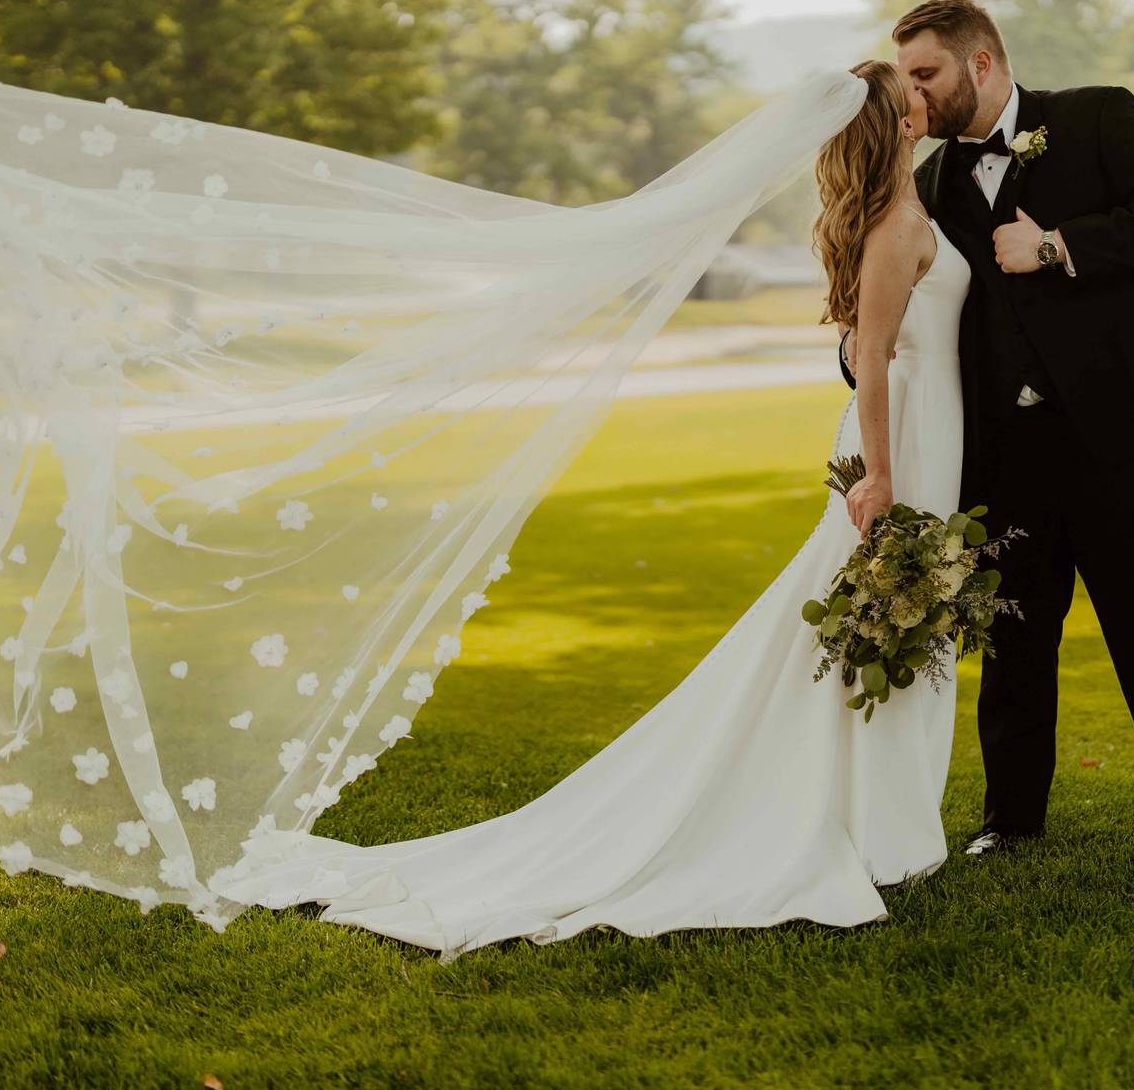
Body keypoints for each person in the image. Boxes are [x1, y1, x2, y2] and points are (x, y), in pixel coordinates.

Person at [205, 59, 977, 956]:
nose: (927, 98)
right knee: (870, 622)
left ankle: (881, 818)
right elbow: (871, 354)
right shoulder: (896, 228)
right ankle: (869, 826)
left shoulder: (909, 213)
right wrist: (879, 475)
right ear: (899, 126)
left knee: (884, 623)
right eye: (914, 94)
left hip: (929, 428)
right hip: (904, 439)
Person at [839, 0, 1134, 871]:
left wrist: (1059, 245)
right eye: (906, 77)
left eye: (927, 73)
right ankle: (1010, 820)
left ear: (981, 63)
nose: (913, 94)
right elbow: (903, 313)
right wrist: (858, 355)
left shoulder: (1100, 115)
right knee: (1014, 640)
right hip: (1005, 450)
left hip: (1125, 433)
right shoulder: (928, 186)